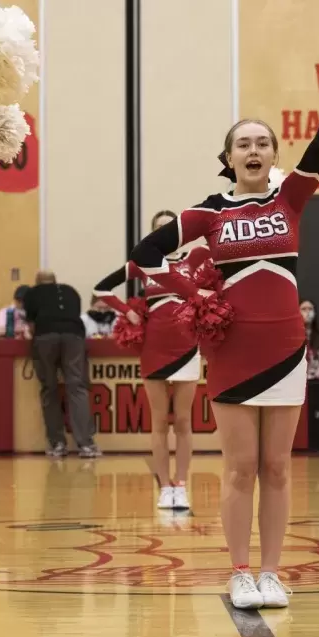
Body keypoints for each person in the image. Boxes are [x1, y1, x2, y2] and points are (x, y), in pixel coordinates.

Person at [126, 76, 319, 609]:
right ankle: (239, 571)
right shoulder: (210, 212)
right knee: (239, 467)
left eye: (263, 143)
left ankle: (272, 572)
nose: (254, 150)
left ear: (274, 156)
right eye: (244, 144)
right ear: (228, 158)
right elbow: (142, 256)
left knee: (278, 467)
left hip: (285, 349)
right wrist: (197, 296)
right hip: (232, 350)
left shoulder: (292, 199)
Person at [94, 210, 211, 509]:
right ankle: (164, 487)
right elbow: (101, 288)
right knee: (159, 422)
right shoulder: (141, 265)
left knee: (184, 421)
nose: (164, 233)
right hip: (154, 349)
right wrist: (127, 310)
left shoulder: (195, 257)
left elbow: (220, 279)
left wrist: (204, 298)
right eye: (159, 229)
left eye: (169, 228)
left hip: (187, 346)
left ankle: (181, 485)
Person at [24, 270, 99, 458]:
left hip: (45, 338)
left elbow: (32, 325)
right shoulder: (71, 291)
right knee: (77, 387)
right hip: (74, 337)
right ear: (55, 281)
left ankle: (57, 444)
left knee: (49, 388)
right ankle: (86, 445)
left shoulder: (32, 293)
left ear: (37, 282)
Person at [299, 299, 319, 380]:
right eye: (304, 309)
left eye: (310, 309)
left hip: (318, 379)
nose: (308, 312)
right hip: (300, 380)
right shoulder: (292, 335)